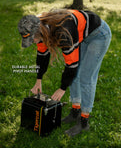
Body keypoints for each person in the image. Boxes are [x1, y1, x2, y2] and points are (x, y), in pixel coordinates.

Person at [18, 9, 112, 137]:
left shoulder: (62, 32)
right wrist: (38, 80)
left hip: (98, 34)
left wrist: (62, 88)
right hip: (80, 33)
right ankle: (75, 112)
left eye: (31, 39)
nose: (32, 42)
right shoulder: (41, 29)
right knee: (74, 74)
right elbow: (42, 56)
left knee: (85, 77)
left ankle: (84, 121)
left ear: (38, 32)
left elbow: (71, 65)